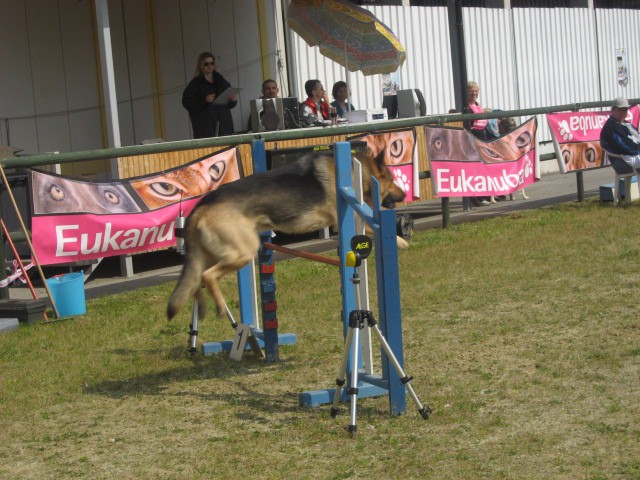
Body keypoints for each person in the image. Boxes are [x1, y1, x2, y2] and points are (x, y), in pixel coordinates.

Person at [182, 52, 237, 138]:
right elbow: (187, 102)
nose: (210, 66)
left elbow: (229, 104)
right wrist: (204, 100)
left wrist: (233, 100)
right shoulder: (195, 84)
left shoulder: (222, 81)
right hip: (206, 126)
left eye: (212, 63)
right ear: (201, 66)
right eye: (206, 64)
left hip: (224, 124)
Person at [463, 81, 492, 206]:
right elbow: (467, 125)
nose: (474, 93)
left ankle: (486, 194)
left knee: (484, 166)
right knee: (475, 167)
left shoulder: (478, 105)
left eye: (476, 91)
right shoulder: (466, 107)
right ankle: (477, 197)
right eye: (471, 91)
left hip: (482, 136)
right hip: (473, 138)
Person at [600, 97, 640, 172]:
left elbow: (637, 137)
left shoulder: (625, 123)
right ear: (613, 110)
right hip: (622, 162)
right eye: (620, 109)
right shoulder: (611, 127)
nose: (623, 112)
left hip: (632, 156)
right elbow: (626, 146)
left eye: (625, 110)